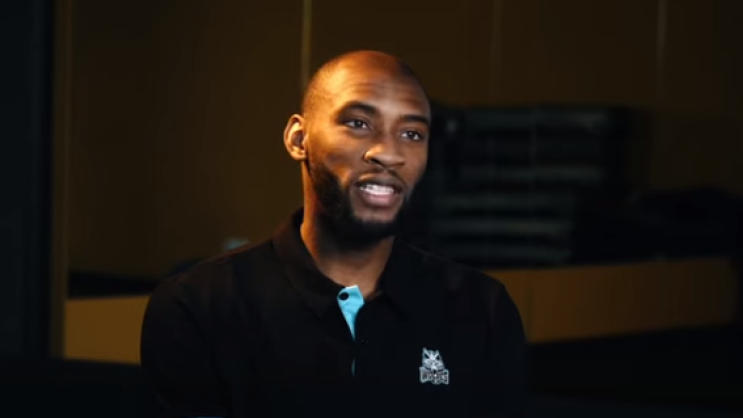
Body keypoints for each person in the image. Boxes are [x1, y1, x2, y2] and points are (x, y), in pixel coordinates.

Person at [140, 50, 529, 418]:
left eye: (412, 134)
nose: (389, 153)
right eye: (358, 123)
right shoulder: (197, 307)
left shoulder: (482, 310)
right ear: (298, 139)